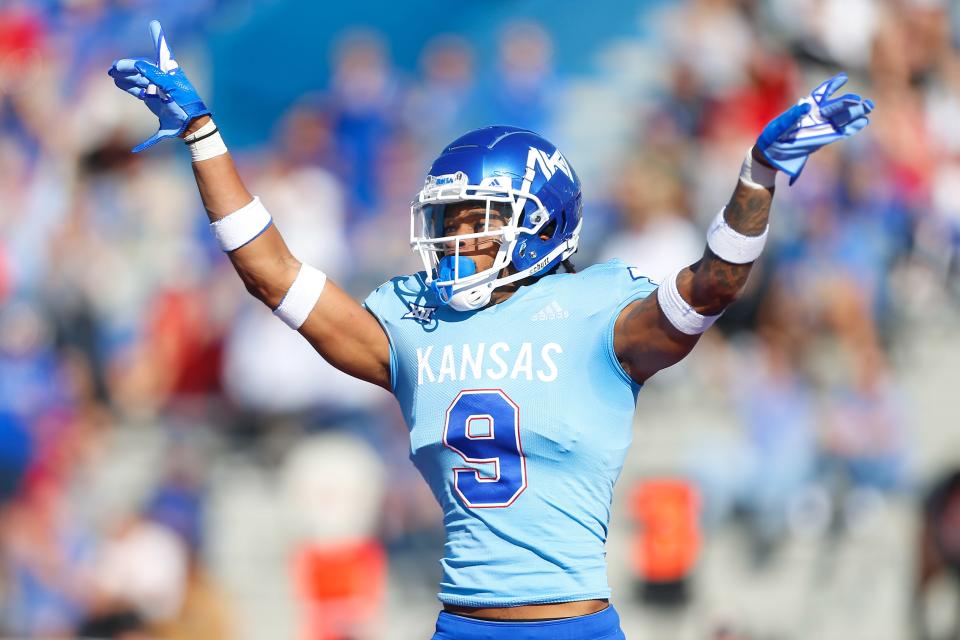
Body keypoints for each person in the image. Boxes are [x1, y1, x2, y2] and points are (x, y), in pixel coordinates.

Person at [108, 21, 874, 640]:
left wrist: (759, 175)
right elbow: (271, 275)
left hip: (574, 626)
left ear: (542, 224)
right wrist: (205, 136)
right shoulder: (415, 322)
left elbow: (712, 286)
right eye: (449, 221)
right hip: (463, 627)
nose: (456, 240)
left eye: (478, 220)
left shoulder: (598, 310)